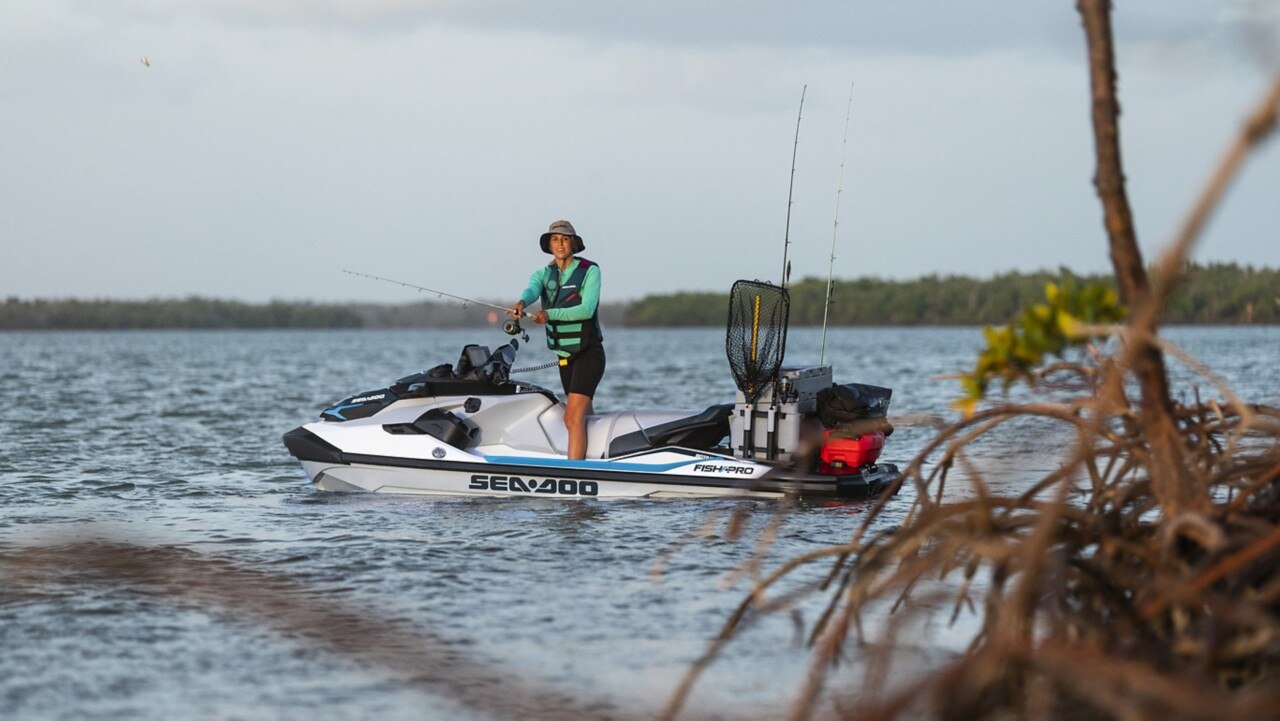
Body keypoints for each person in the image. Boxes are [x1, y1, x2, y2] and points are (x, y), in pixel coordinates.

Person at [509, 220, 604, 460]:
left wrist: (550, 314)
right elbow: (532, 289)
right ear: (549, 245)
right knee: (584, 416)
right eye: (555, 239)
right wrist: (522, 303)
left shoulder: (590, 271)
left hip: (588, 353)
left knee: (572, 418)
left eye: (564, 239)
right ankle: (595, 463)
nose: (560, 244)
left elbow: (586, 310)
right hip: (564, 357)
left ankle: (575, 473)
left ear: (573, 243)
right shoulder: (543, 274)